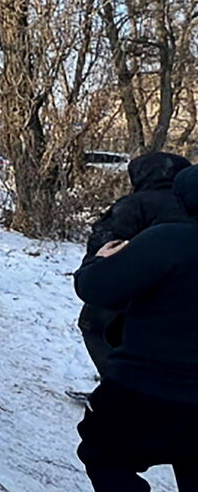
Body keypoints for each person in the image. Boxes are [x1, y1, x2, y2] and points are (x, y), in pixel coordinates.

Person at [73, 165, 198, 492]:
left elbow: (97, 289)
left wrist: (98, 260)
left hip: (143, 389)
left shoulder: (168, 239)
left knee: (105, 458)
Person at [78, 152, 191, 378]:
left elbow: (104, 245)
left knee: (93, 324)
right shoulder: (190, 206)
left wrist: (93, 264)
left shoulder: (135, 204)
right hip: (184, 298)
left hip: (135, 292)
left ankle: (116, 380)